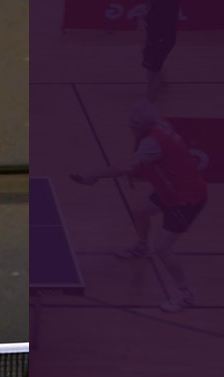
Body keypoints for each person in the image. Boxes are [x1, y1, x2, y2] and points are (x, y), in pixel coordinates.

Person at [73, 102, 207, 312]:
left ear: (147, 123)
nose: (130, 125)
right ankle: (142, 248)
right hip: (169, 190)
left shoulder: (153, 142)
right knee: (140, 212)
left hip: (185, 198)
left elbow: (128, 168)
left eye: (134, 122)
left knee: (162, 247)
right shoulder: (162, 128)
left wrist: (93, 175)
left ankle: (185, 294)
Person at [140, 0, 182, 102]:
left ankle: (149, 106)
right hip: (154, 37)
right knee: (152, 68)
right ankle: (161, 80)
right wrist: (141, 17)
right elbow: (152, 4)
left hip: (162, 39)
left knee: (152, 74)